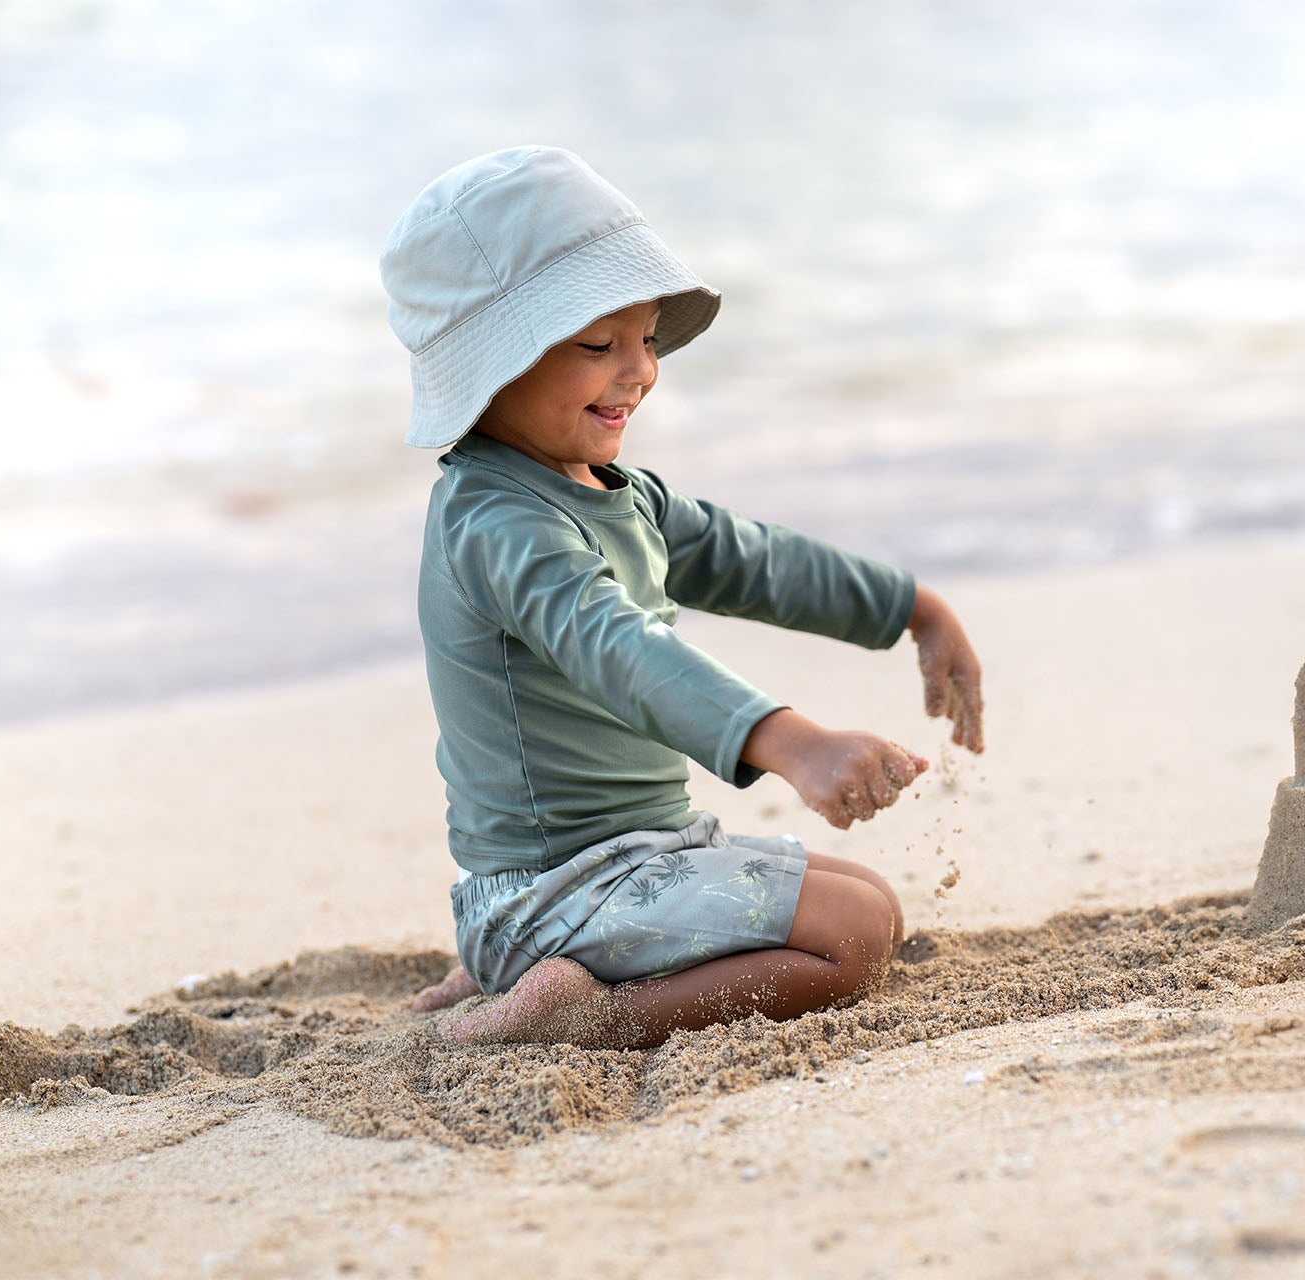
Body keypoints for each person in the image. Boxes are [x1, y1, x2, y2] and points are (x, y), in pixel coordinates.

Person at [378, 146, 984, 1049]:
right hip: (556, 885)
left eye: (648, 339)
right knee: (850, 941)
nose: (640, 372)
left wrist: (909, 608)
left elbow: (754, 561)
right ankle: (585, 1015)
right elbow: (618, 647)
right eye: (599, 345)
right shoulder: (495, 524)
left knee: (873, 904)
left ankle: (522, 966)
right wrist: (795, 744)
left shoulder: (615, 491)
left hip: (636, 860)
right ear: (490, 364)